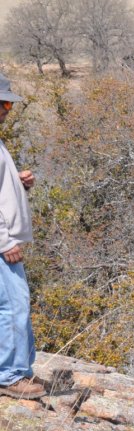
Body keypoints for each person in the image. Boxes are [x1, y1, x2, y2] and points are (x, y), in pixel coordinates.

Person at [0, 73, 41, 400]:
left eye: (9, 103)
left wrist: (16, 181)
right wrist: (4, 240)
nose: (7, 109)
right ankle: (10, 375)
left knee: (15, 303)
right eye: (3, 103)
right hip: (3, 243)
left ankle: (19, 371)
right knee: (13, 306)